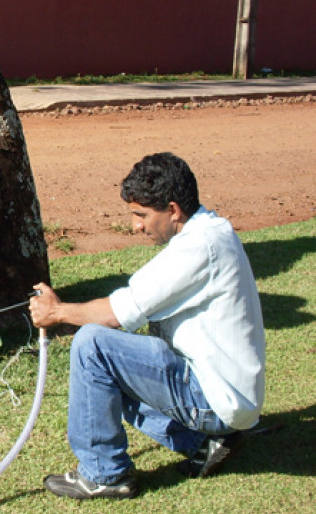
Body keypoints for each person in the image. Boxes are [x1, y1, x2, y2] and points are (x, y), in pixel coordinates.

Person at [29, 152, 265, 500]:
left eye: (141, 215)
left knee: (93, 344)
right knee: (112, 366)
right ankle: (202, 443)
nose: (136, 226)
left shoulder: (200, 246)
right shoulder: (209, 231)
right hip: (226, 396)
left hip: (216, 399)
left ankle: (104, 474)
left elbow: (116, 314)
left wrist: (58, 312)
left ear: (173, 210)